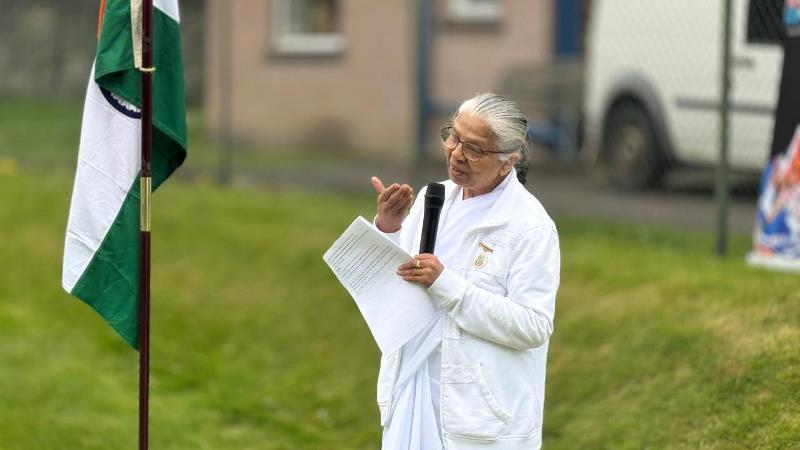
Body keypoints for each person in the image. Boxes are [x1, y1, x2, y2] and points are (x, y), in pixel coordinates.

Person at [370, 93, 560, 449]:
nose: (456, 153)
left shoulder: (530, 226)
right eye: (453, 136)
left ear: (508, 162)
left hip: (480, 417)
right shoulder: (434, 197)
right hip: (413, 390)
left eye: (473, 149)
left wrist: (446, 285)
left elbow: (534, 326)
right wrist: (388, 229)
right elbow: (398, 286)